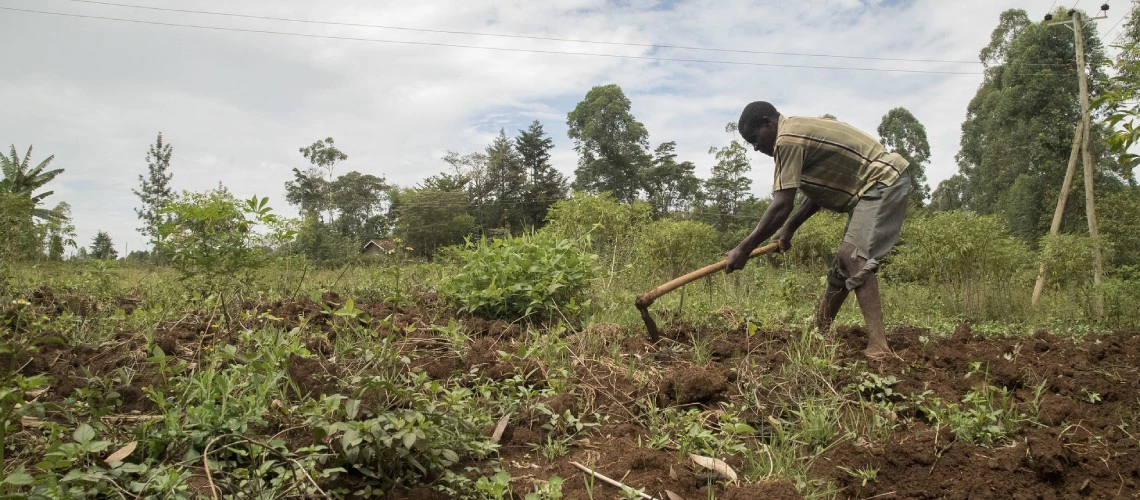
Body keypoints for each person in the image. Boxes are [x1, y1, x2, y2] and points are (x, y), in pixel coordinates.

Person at [725, 101, 911, 358]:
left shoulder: (787, 140)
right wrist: (789, 228)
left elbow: (781, 204)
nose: (755, 148)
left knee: (852, 254)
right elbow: (815, 195)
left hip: (882, 181)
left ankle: (879, 345)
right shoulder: (795, 134)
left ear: (769, 123)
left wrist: (744, 248)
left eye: (754, 138)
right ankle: (818, 334)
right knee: (842, 265)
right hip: (870, 187)